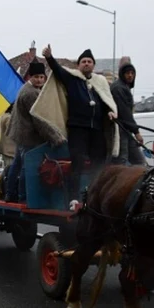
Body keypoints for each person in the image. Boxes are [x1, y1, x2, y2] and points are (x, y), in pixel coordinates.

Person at [34, 45, 119, 209]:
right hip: (78, 128)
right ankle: (74, 199)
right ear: (78, 65)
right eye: (83, 61)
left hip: (97, 130)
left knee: (99, 164)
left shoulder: (100, 82)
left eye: (89, 61)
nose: (86, 64)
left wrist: (110, 113)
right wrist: (50, 57)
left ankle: (96, 196)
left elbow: (107, 101)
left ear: (93, 65)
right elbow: (58, 71)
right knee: (77, 163)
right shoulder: (72, 79)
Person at [4, 60, 64, 202]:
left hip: (21, 134)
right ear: (30, 76)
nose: (39, 80)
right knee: (27, 167)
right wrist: (56, 137)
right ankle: (23, 197)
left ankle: (9, 193)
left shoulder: (26, 88)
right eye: (36, 77)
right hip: (28, 136)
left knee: (16, 165)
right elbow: (39, 121)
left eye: (41, 77)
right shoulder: (31, 94)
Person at [110, 57, 146, 166]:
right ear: (122, 74)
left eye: (132, 73)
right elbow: (125, 113)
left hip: (126, 129)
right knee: (122, 160)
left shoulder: (124, 87)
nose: (130, 75)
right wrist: (137, 132)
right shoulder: (118, 88)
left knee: (139, 161)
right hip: (120, 129)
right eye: (127, 73)